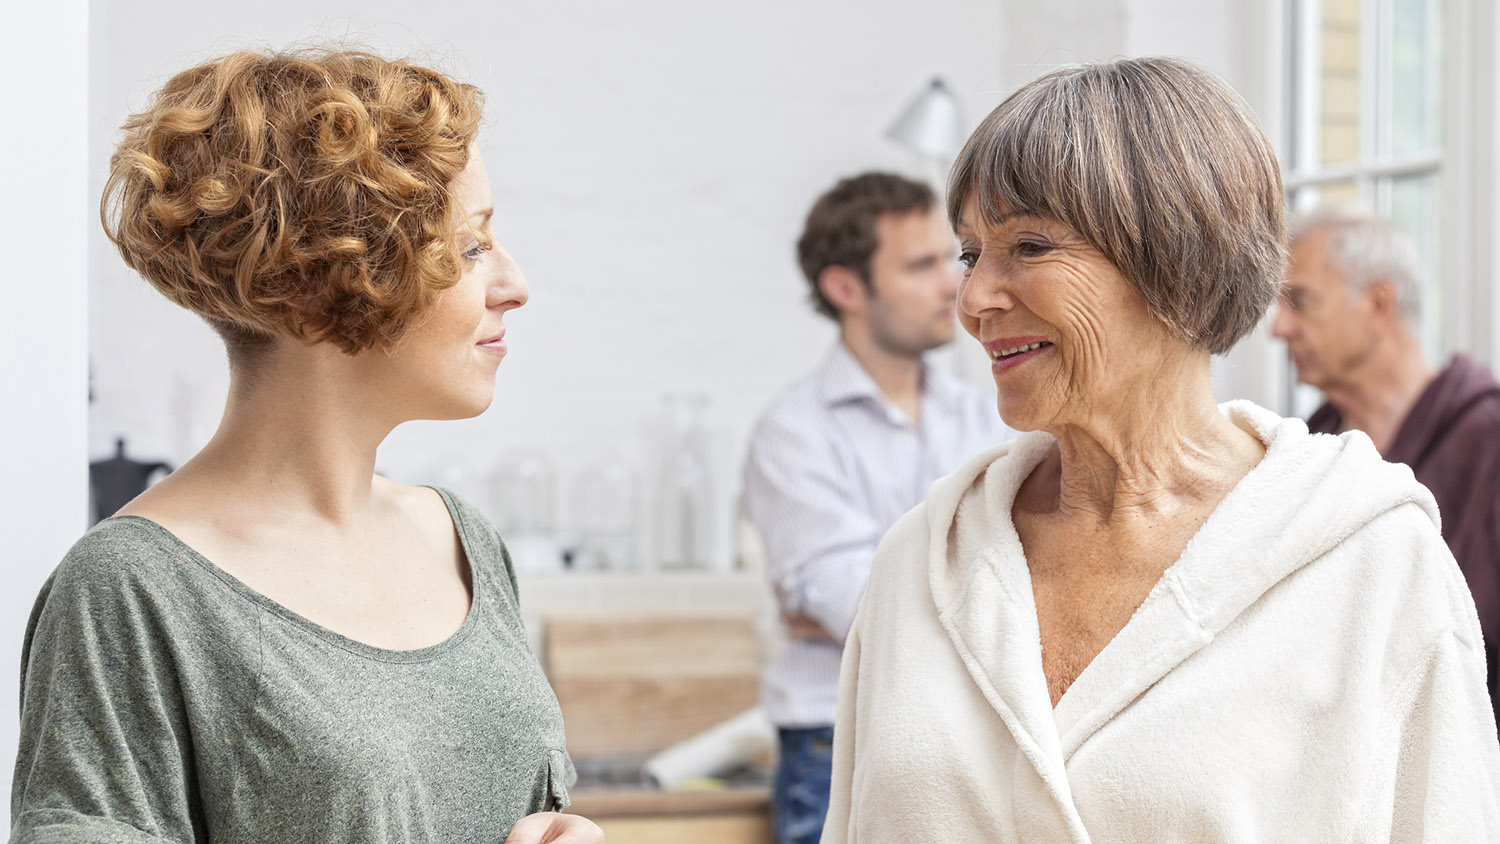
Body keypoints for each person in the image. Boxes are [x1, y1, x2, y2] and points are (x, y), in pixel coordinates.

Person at [820, 57, 1500, 843]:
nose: (973, 300)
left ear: (1177, 257)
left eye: (1029, 246)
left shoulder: (1373, 563)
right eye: (971, 254)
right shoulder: (921, 560)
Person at [11, 48, 602, 844]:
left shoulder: (462, 541)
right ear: (320, 294)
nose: (515, 285)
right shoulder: (132, 590)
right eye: (470, 248)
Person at [741, 172, 1011, 844]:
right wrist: (984, 593)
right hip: (837, 746)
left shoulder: (987, 414)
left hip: (969, 741)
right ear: (846, 288)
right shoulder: (794, 432)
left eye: (951, 259)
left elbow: (1037, 569)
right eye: (921, 266)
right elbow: (852, 602)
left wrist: (887, 597)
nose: (955, 286)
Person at [1272, 205, 1500, 726]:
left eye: (1300, 302)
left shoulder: (1489, 441)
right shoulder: (1306, 451)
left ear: (1379, 304)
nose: (1279, 328)